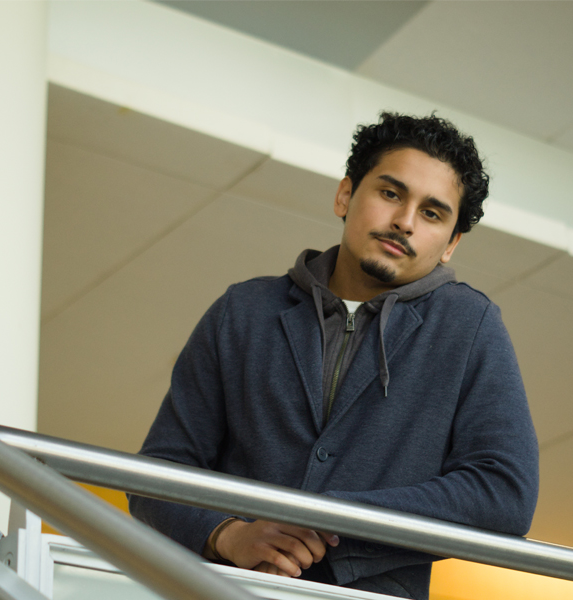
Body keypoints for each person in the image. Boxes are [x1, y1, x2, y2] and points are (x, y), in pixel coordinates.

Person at [128, 112, 539, 600]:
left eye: (432, 213)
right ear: (346, 195)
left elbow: (504, 492)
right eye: (390, 193)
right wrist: (229, 535)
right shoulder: (244, 310)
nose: (404, 222)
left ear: (451, 244)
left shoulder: (469, 326)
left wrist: (330, 521)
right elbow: (159, 471)